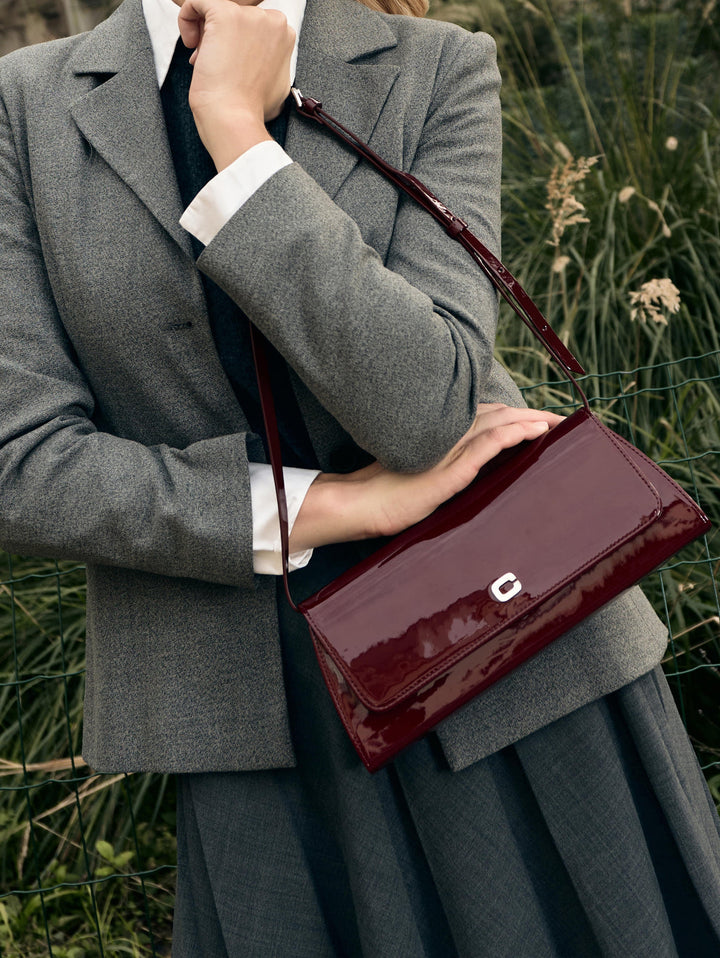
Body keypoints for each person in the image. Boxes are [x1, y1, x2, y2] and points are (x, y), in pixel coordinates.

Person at [1, 0, 719, 952]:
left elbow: (424, 411)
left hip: (514, 654)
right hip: (253, 722)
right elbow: (21, 465)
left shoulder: (435, 65)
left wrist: (236, 134)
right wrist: (325, 507)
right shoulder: (25, 106)